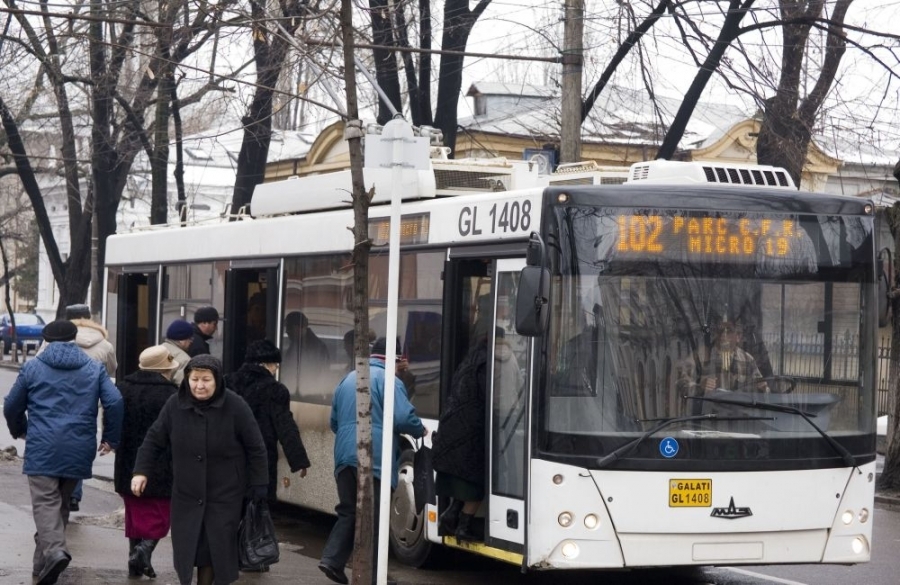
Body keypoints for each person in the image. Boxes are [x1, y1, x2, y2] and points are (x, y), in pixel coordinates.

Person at [3, 319, 123, 585]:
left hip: (42, 446)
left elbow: (11, 405)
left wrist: (20, 430)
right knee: (60, 504)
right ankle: (42, 564)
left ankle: (56, 551)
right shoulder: (93, 368)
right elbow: (114, 401)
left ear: (46, 340)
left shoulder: (33, 367)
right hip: (79, 448)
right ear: (73, 338)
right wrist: (110, 439)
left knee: (46, 504)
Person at [131, 355, 268, 585]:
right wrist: (140, 471)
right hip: (186, 492)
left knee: (214, 548)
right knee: (188, 548)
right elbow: (154, 440)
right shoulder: (175, 404)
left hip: (225, 493)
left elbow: (256, 446)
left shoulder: (235, 405)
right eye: (194, 379)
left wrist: (259, 483)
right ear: (187, 379)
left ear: (217, 380)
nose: (199, 385)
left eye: (206, 379)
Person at [318, 337, 427, 585]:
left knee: (349, 511)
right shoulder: (390, 380)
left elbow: (334, 422)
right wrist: (420, 429)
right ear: (396, 359)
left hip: (344, 456)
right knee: (375, 517)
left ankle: (332, 560)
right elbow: (403, 418)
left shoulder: (349, 378)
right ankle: (375, 576)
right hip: (373, 458)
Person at [35, 303, 119, 511]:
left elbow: (37, 366)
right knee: (79, 443)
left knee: (55, 442)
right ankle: (73, 493)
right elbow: (112, 369)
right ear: (89, 317)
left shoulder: (51, 341)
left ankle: (58, 494)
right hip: (87, 403)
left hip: (54, 400)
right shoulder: (104, 344)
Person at [113, 345, 179, 579]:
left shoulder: (123, 388)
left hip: (128, 461)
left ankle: (137, 562)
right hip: (162, 462)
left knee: (134, 513)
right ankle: (143, 552)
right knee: (161, 512)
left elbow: (112, 420)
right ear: (165, 369)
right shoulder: (172, 395)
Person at [225, 340, 310, 505]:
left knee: (229, 504)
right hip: (261, 456)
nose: (276, 369)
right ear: (264, 364)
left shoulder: (227, 382)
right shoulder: (275, 390)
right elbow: (285, 426)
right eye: (275, 365)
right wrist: (299, 460)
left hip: (228, 454)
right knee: (258, 505)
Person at [431, 327, 489, 542]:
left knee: (463, 479)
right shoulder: (487, 364)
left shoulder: (468, 362)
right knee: (477, 484)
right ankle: (463, 527)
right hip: (470, 432)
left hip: (452, 431)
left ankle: (451, 515)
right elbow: (490, 397)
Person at [677, 318, 769, 395]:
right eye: (720, 331)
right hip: (708, 410)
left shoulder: (747, 359)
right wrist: (699, 387)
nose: (723, 335)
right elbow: (680, 383)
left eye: (728, 331)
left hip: (738, 410)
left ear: (738, 336)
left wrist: (763, 388)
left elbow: (762, 387)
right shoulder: (700, 356)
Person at [281, 311, 330, 401]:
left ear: (299, 327)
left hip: (308, 397)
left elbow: (317, 376)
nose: (287, 331)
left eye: (289, 328)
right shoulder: (296, 344)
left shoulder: (316, 347)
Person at [162, 320, 193, 385]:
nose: (191, 342)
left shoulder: (155, 350)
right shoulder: (184, 360)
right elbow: (181, 386)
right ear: (181, 340)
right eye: (190, 338)